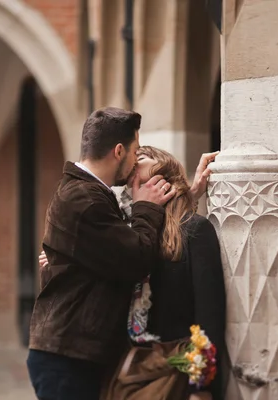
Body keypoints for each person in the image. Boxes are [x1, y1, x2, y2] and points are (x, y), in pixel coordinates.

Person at [40, 146, 228, 400]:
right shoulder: (126, 233)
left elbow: (210, 317)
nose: (132, 165)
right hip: (127, 373)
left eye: (140, 158)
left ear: (164, 169)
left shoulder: (196, 231)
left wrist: (202, 388)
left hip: (175, 372)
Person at [27, 107, 177, 400]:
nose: (135, 163)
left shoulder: (89, 192)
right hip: (66, 357)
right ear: (119, 150)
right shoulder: (85, 199)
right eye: (135, 152)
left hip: (71, 353)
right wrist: (147, 206)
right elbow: (135, 259)